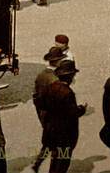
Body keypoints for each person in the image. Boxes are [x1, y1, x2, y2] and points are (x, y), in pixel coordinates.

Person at [38, 58, 87, 173]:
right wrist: (82, 109)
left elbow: (42, 104)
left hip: (51, 131)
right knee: (62, 165)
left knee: (54, 161)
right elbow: (73, 113)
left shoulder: (50, 87)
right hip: (64, 136)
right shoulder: (68, 93)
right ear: (70, 77)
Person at [31, 44, 66, 173]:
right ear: (57, 61)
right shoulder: (54, 78)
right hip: (51, 114)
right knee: (55, 142)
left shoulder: (41, 75)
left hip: (42, 111)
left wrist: (40, 111)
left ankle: (38, 162)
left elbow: (35, 95)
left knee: (49, 138)